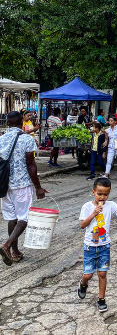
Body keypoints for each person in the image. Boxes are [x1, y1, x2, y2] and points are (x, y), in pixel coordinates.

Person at [78, 178, 117, 312]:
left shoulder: (111, 205)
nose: (102, 197)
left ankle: (101, 299)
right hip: (90, 246)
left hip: (104, 246)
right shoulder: (87, 206)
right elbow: (82, 225)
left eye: (106, 194)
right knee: (88, 275)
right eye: (99, 194)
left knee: (102, 273)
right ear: (93, 192)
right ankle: (83, 284)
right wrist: (94, 213)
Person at [0, 111, 48, 266]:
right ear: (22, 121)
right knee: (24, 218)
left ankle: (14, 252)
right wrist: (38, 187)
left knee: (11, 218)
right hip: (21, 184)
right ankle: (7, 245)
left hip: (4, 184)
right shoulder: (27, 139)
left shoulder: (1, 139)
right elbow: (31, 165)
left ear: (7, 123)